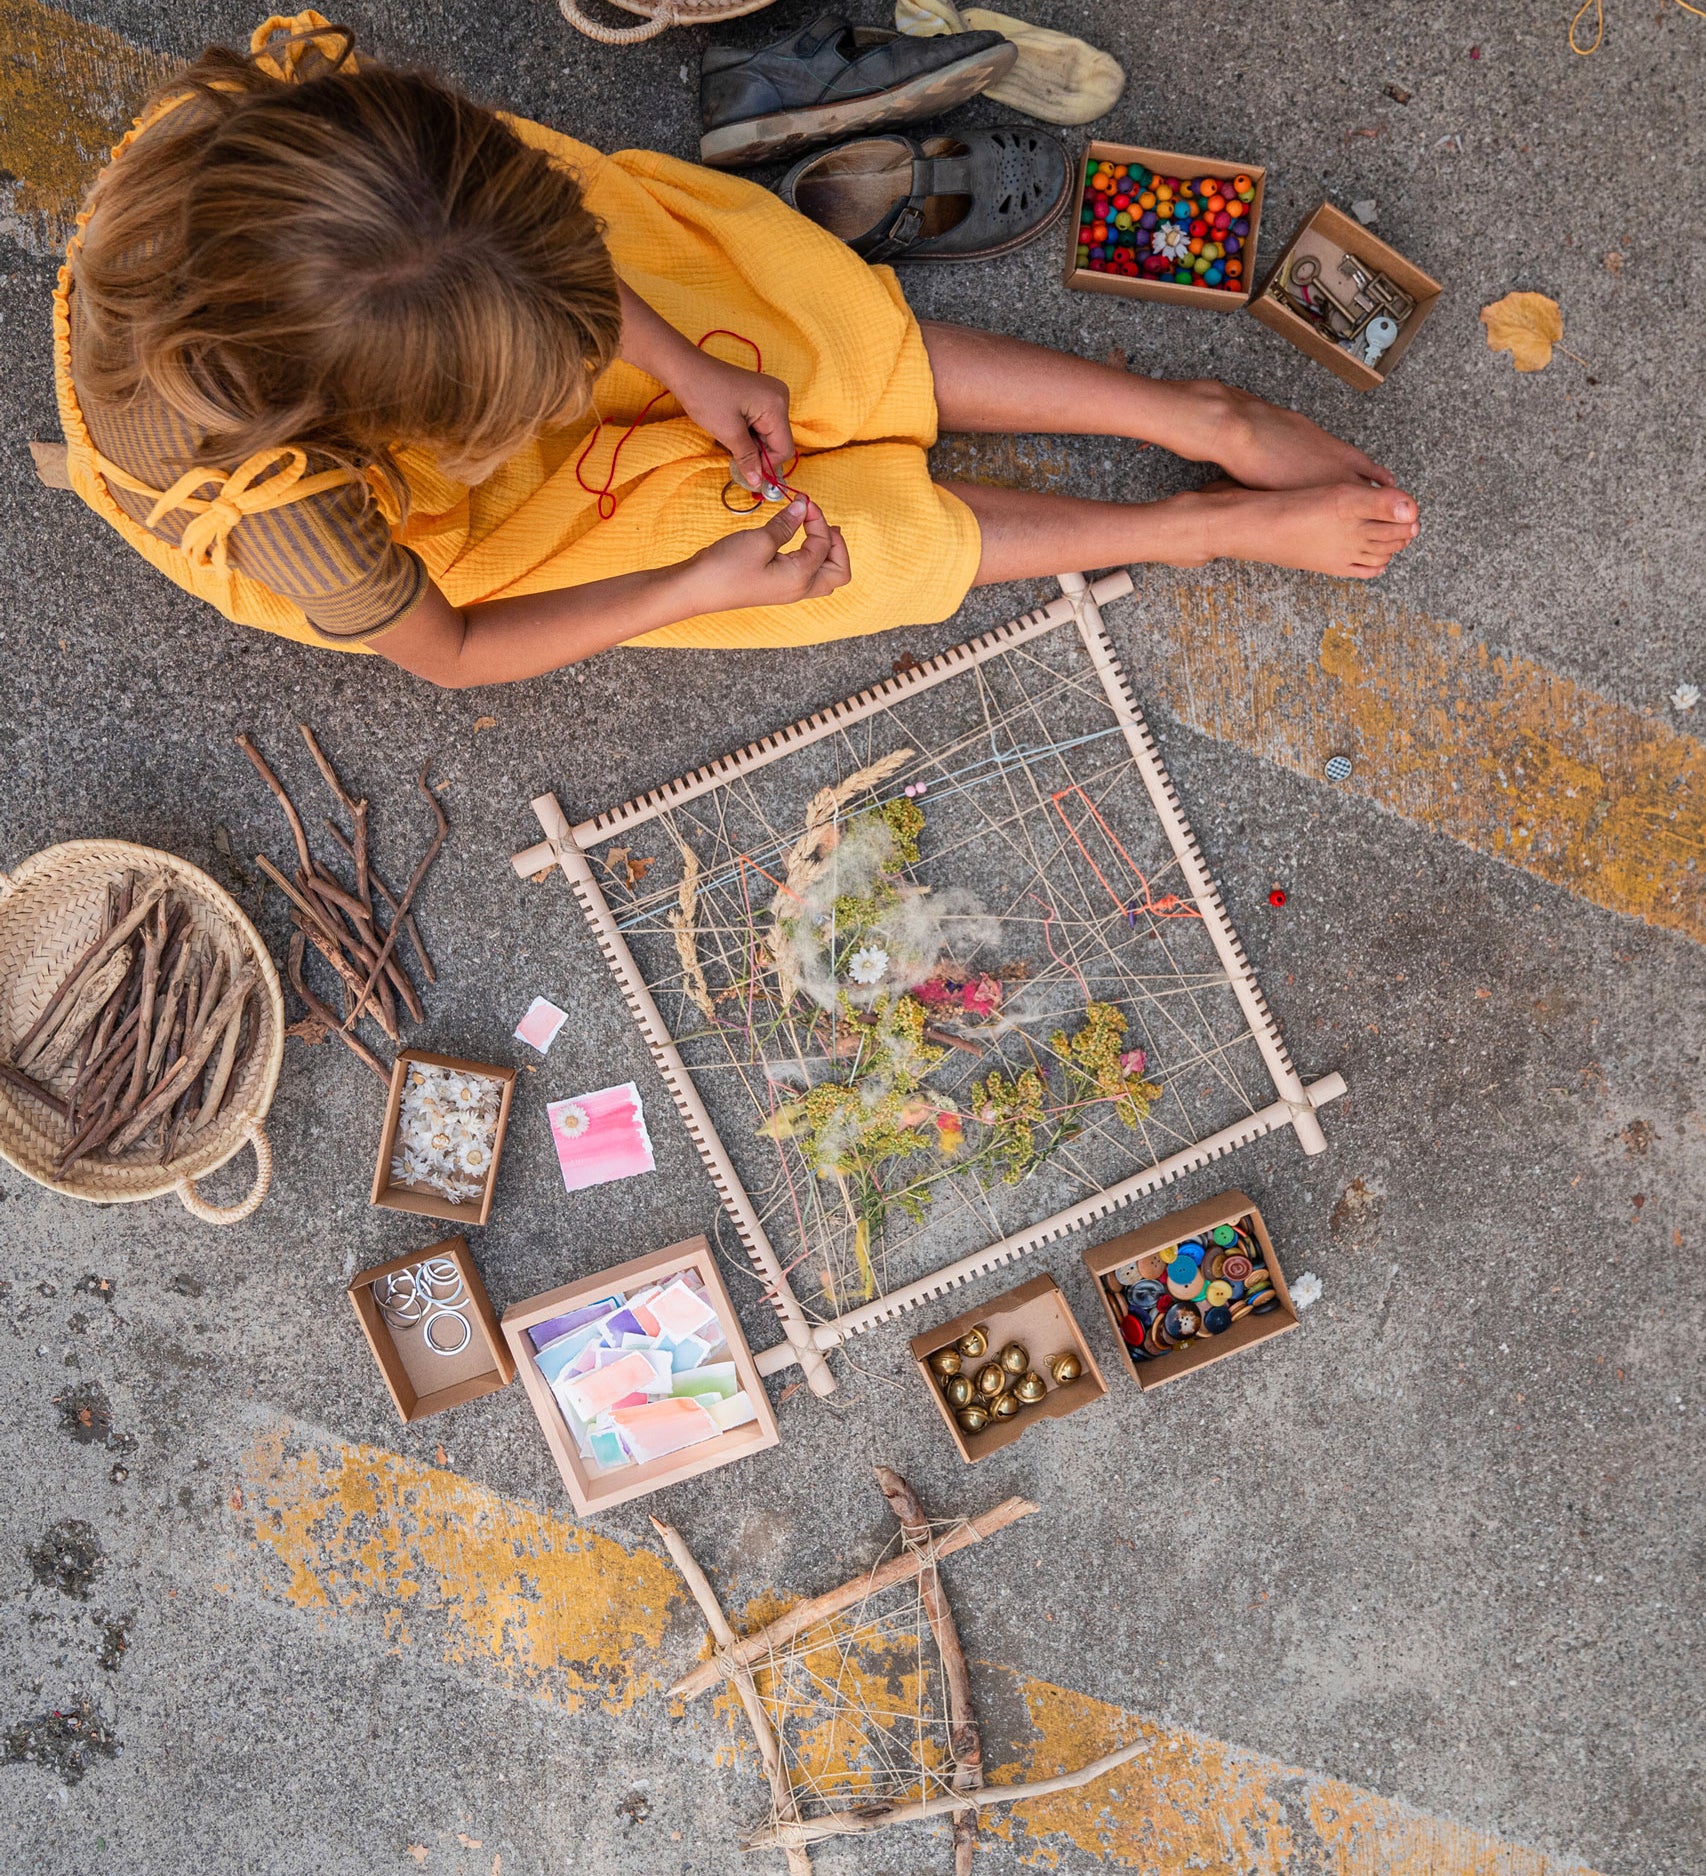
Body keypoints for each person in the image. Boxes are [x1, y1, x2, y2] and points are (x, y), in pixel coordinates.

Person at [55, 13, 1419, 691]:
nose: (578, 376)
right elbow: (454, 649)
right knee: (789, 545)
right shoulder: (304, 520)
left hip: (434, 312)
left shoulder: (371, 177)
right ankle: (1180, 534)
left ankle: (1198, 418)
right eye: (542, 383)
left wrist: (691, 369)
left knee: (761, 338)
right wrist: (691, 590)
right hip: (448, 526)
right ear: (413, 418)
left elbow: (549, 261)